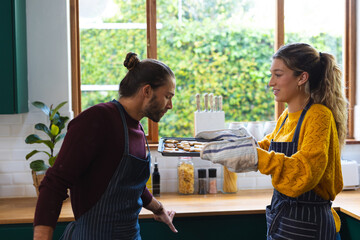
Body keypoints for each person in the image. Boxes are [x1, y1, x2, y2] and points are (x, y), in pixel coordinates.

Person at [199, 43, 347, 240]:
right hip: (284, 219)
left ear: (302, 77)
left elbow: (305, 171)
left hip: (310, 226)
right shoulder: (287, 115)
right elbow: (269, 146)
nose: (270, 82)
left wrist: (255, 156)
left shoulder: (319, 116)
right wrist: (236, 144)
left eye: (278, 75)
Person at [33, 52, 178, 240]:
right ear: (147, 91)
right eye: (168, 96)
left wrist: (158, 209)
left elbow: (132, 184)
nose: (170, 105)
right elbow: (55, 183)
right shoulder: (99, 119)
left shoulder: (137, 128)